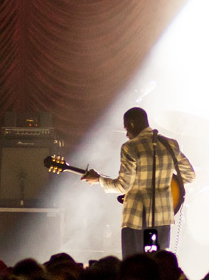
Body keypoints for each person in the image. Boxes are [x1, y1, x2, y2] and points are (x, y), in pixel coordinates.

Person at [82, 107, 196, 258]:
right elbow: (189, 175)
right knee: (157, 265)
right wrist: (166, 180)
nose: (127, 134)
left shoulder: (130, 147)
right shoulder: (170, 144)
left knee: (135, 267)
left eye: (127, 128)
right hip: (162, 218)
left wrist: (99, 180)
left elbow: (123, 186)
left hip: (137, 219)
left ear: (132, 124)